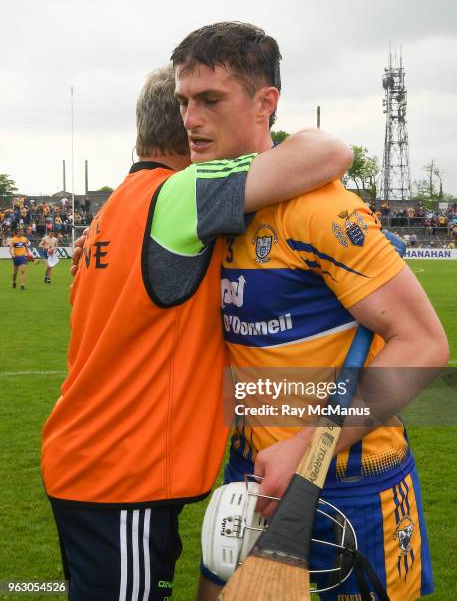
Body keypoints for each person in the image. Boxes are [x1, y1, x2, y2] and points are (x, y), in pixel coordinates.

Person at [42, 63, 352, 601]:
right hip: (122, 474)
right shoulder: (181, 192)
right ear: (189, 134)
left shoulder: (118, 205)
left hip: (91, 458)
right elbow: (330, 153)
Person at [169, 22, 449, 600]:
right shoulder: (211, 208)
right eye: (184, 102)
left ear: (265, 103)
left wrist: (311, 444)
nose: (191, 120)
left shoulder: (320, 208)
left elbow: (424, 343)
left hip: (346, 485)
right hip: (250, 480)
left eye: (210, 100)